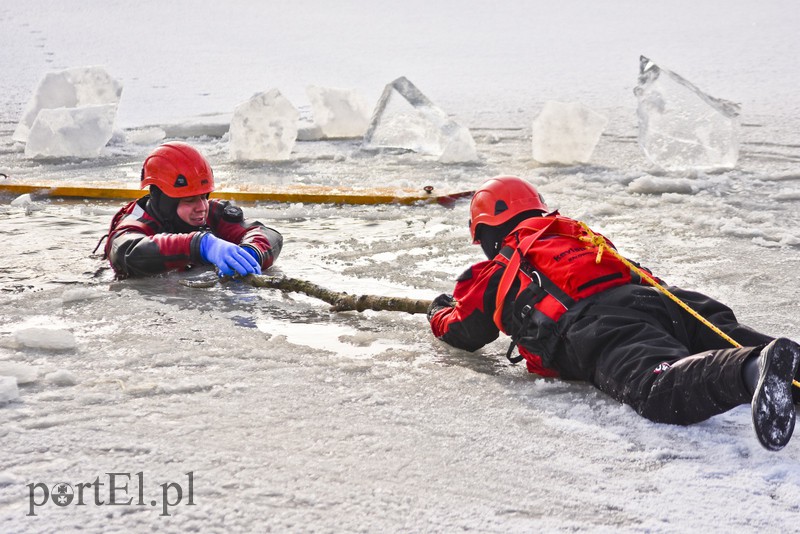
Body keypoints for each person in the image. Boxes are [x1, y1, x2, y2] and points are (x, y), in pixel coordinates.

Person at [427, 175, 800, 451]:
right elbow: (640, 273)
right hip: (663, 300)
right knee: (724, 335)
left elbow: (463, 330)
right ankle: (775, 360)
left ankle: (752, 370)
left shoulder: (497, 269)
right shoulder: (576, 235)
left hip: (600, 325)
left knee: (658, 388)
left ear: (488, 233)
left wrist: (438, 310)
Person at [102, 142, 283, 279]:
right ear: (163, 200)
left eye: (205, 197)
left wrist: (252, 252)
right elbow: (126, 252)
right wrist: (200, 245)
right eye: (189, 200)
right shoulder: (136, 222)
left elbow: (268, 234)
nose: (202, 208)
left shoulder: (214, 212)